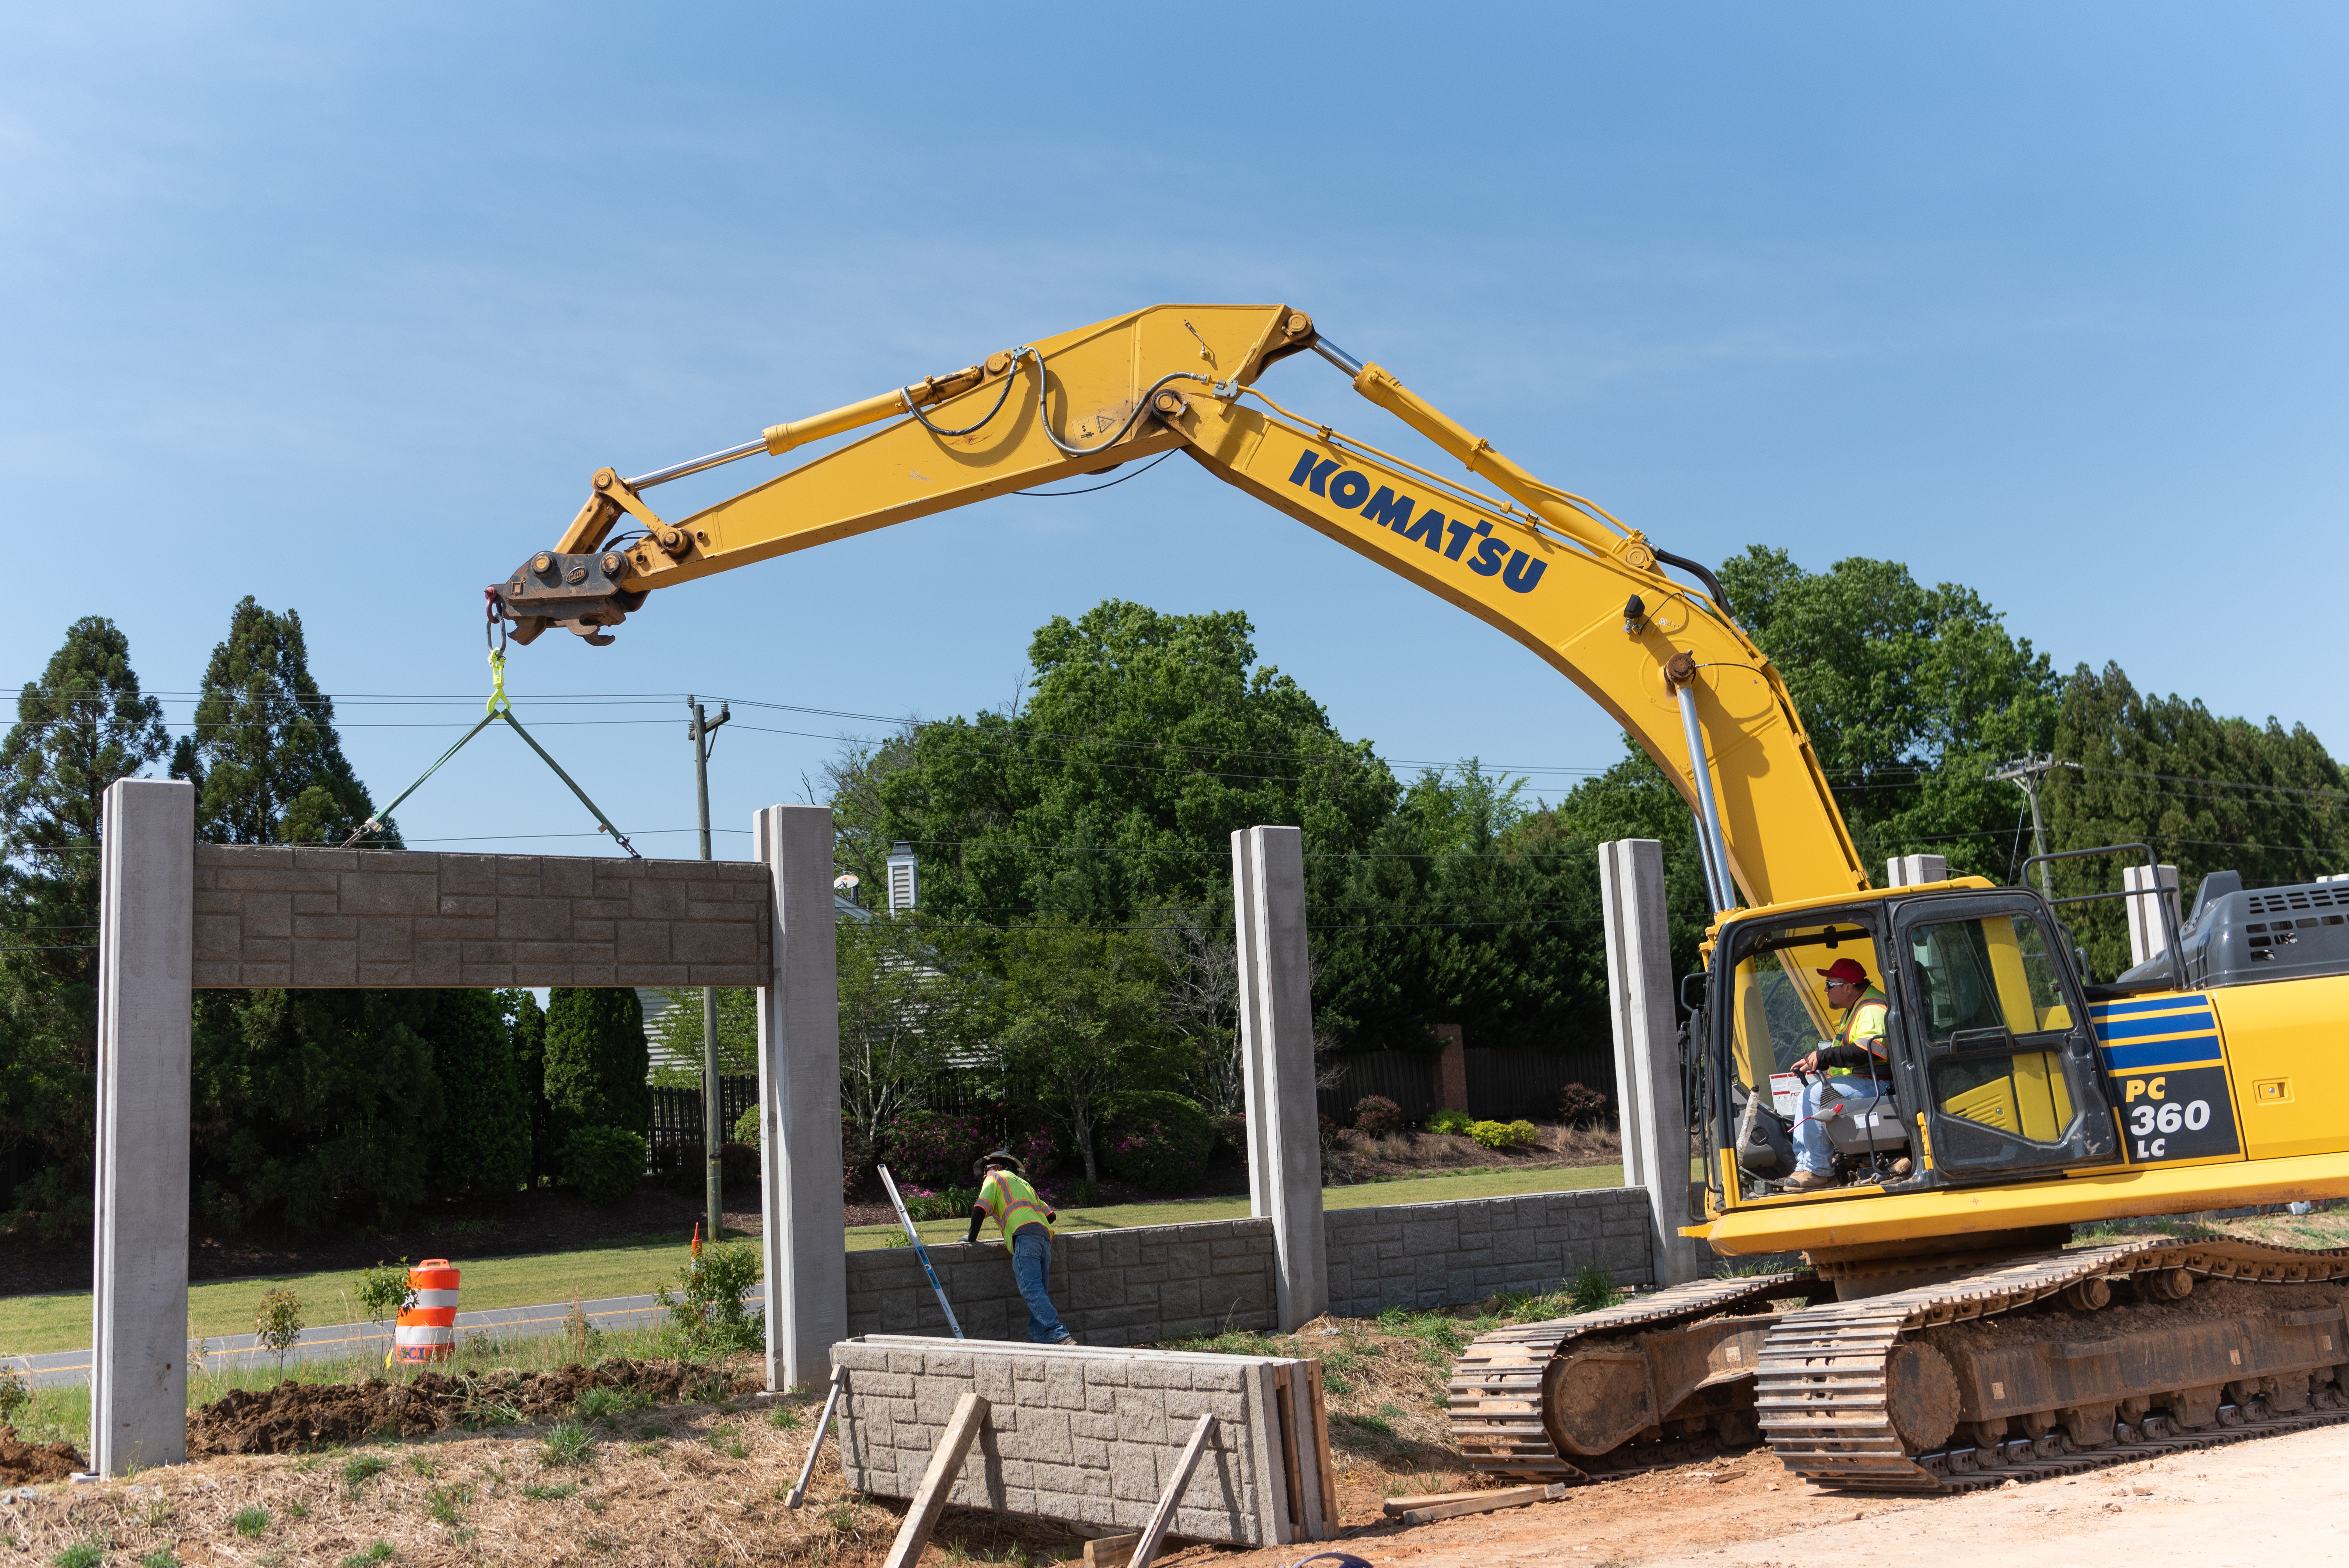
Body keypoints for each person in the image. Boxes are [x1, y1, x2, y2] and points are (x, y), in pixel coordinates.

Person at [1783, 957, 1903, 1191]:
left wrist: (1825, 1057)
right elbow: (1845, 1052)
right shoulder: (1856, 1008)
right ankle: (1804, 1168)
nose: (1826, 991)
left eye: (1830, 985)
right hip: (1865, 1080)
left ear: (1848, 987)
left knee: (1813, 1095)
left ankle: (1817, 1171)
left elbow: (1870, 1050)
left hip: (1879, 1083)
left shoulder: (1871, 1009)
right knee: (1809, 1094)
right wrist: (1817, 1062)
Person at [964, 1149, 1075, 1344]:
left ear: (997, 1166)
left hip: (1025, 1237)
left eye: (987, 1168)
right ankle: (1041, 1340)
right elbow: (1051, 1216)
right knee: (1039, 1291)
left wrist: (971, 1238)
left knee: (1031, 1290)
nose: (985, 1174)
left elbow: (980, 1209)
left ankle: (1060, 1334)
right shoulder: (1026, 1185)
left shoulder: (995, 1178)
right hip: (1044, 1238)